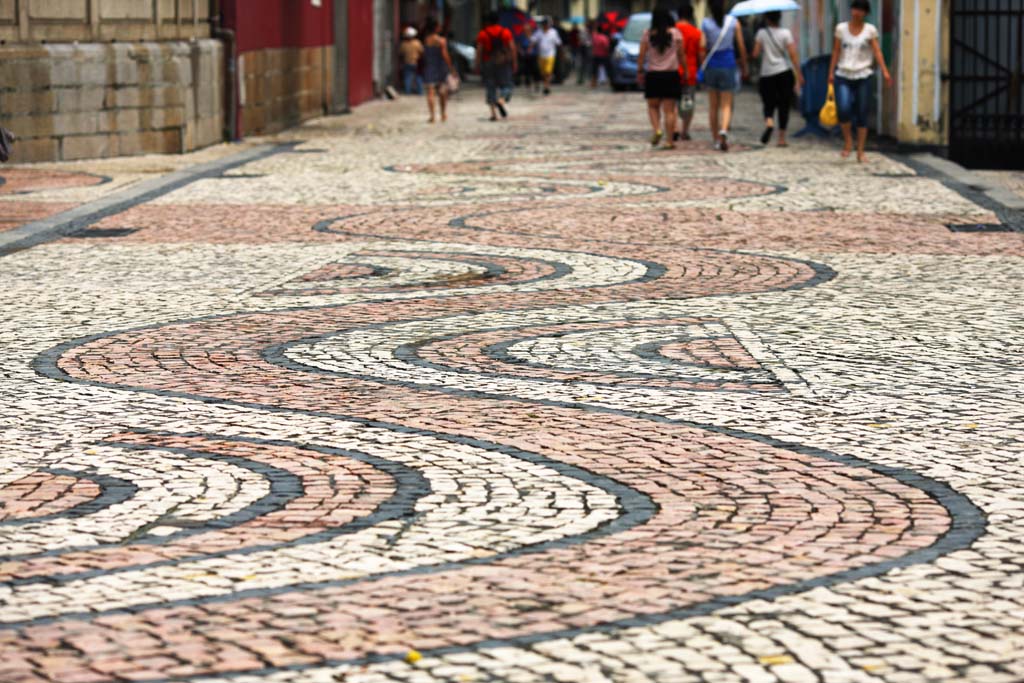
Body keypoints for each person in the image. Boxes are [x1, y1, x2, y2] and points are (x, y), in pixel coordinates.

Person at [828, 0, 892, 162]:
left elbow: (877, 51)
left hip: (863, 74)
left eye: (861, 10)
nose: (857, 12)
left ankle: (861, 150)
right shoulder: (841, 29)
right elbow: (835, 51)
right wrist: (831, 72)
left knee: (862, 112)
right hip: (843, 73)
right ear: (851, 10)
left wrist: (885, 71)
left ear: (866, 13)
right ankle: (848, 141)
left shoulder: (870, 30)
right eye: (855, 9)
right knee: (843, 108)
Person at [637, 8, 688, 150]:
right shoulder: (676, 34)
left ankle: (657, 129)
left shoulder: (647, 35)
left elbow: (641, 56)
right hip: (671, 75)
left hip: (653, 76)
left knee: (652, 106)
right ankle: (669, 141)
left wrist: (640, 70)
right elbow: (682, 55)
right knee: (669, 111)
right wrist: (685, 71)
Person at [751, 11, 804, 146]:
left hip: (767, 73)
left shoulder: (761, 33)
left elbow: (755, 54)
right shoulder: (785, 33)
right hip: (783, 71)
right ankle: (781, 138)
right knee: (784, 105)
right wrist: (799, 74)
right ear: (779, 18)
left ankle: (769, 121)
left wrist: (761, 49)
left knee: (768, 102)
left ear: (767, 19)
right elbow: (792, 54)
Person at [701, 0, 748, 151]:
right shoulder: (733, 22)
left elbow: (702, 46)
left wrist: (703, 65)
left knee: (713, 106)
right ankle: (724, 130)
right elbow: (740, 45)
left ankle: (715, 139)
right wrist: (744, 65)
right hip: (728, 64)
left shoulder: (705, 23)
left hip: (712, 65)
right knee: (726, 104)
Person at [476, 11, 517, 120]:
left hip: (488, 62)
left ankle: (493, 114)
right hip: (503, 62)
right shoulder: (505, 32)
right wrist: (514, 62)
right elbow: (512, 48)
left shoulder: (483, 33)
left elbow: (479, 51)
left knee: (491, 87)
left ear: (488, 21)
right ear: (498, 20)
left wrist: (477, 64)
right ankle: (501, 100)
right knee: (507, 85)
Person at [675, 3, 704, 141]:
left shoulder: (672, 30)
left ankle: (673, 127)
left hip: (673, 70)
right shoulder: (696, 32)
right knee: (688, 102)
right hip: (691, 72)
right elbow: (700, 54)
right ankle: (684, 131)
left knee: (672, 101)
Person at [421, 17, 454, 123]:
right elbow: (445, 55)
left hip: (429, 66)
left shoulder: (426, 39)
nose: (440, 28)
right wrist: (451, 67)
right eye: (439, 26)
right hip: (440, 67)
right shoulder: (441, 40)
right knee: (442, 92)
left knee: (430, 92)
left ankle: (432, 116)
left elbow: (424, 54)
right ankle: (443, 113)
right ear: (435, 27)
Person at [531, 17, 562, 95]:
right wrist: (530, 48)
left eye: (546, 24)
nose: (545, 26)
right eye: (544, 24)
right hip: (541, 55)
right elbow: (533, 40)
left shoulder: (553, 32)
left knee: (548, 71)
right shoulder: (538, 32)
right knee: (543, 72)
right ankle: (545, 84)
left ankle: (546, 86)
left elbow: (558, 43)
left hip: (550, 55)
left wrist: (561, 53)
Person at [398, 27, 424, 95]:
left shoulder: (403, 44)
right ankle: (420, 92)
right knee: (418, 77)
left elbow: (400, 54)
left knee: (407, 78)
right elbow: (422, 52)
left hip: (407, 62)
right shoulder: (417, 43)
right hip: (416, 62)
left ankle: (407, 92)